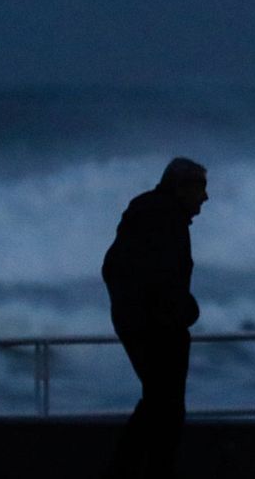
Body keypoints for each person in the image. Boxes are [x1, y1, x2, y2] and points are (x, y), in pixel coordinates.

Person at [102, 157, 209, 478]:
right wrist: (180, 311)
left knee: (159, 402)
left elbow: (113, 267)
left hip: (141, 324)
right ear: (182, 188)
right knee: (166, 405)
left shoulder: (150, 212)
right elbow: (162, 277)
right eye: (200, 189)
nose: (205, 198)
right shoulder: (164, 218)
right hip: (157, 329)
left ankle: (131, 469)